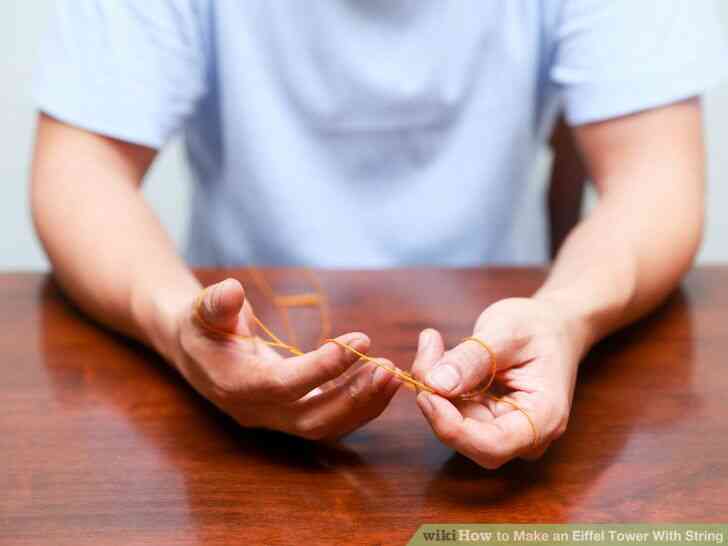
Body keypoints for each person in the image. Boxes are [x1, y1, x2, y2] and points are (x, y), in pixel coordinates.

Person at [30, 0, 726, 469]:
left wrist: (566, 317)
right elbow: (79, 168)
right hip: (226, 404)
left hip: (504, 353)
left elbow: (656, 176)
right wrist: (174, 326)